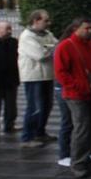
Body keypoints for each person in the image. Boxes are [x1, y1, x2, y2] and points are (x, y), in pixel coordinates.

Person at [52, 17, 91, 179]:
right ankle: (78, 163)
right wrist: (79, 86)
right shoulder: (66, 46)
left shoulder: (89, 45)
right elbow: (61, 73)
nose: (90, 31)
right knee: (82, 128)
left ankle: (85, 157)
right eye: (86, 28)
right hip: (76, 94)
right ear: (76, 28)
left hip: (90, 92)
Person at [18, 10, 58, 148]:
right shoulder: (27, 36)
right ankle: (27, 137)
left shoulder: (47, 34)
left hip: (47, 74)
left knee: (47, 105)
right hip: (33, 76)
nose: (49, 23)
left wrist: (49, 48)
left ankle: (40, 132)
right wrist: (50, 49)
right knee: (35, 107)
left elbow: (57, 47)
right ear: (36, 20)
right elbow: (40, 55)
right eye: (45, 20)